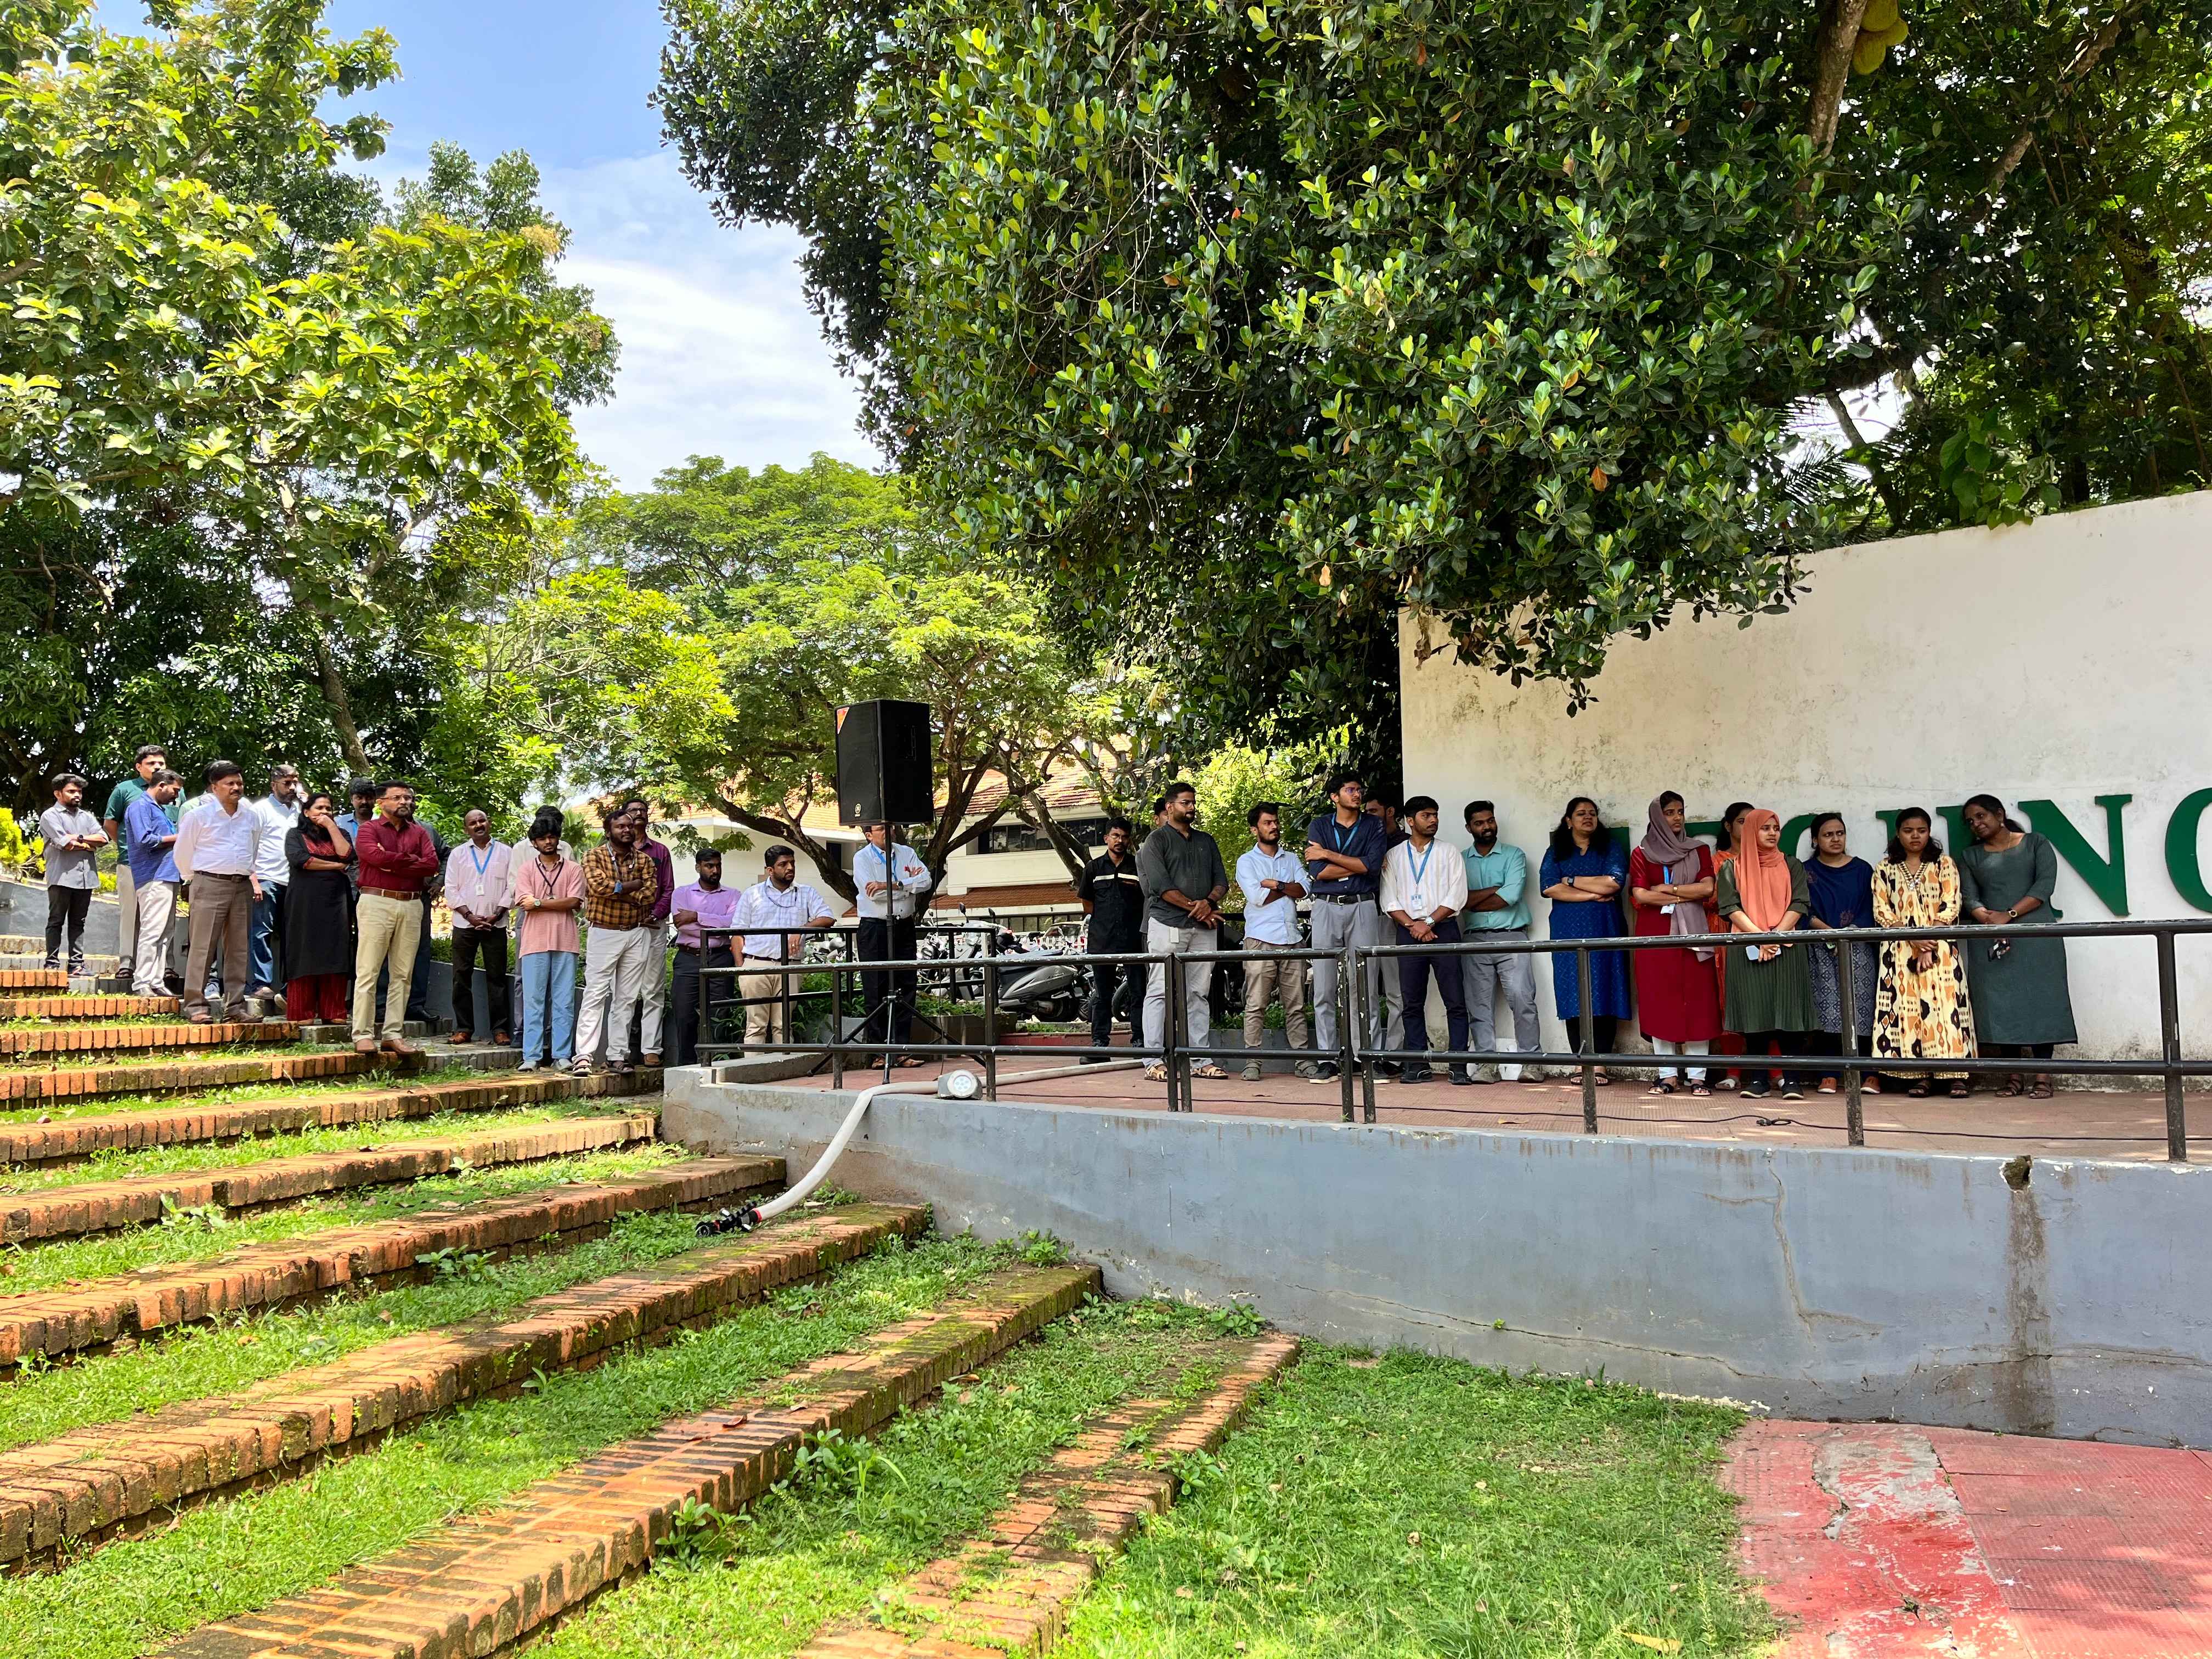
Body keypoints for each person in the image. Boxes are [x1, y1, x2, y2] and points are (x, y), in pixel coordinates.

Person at [1959, 794, 2077, 1098]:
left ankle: (2043, 1076)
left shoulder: (2036, 843)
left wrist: (2008, 915)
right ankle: (2013, 1076)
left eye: (1981, 816)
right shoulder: (1971, 856)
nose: (1976, 824)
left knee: (2042, 1000)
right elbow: (1969, 897)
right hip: (1992, 938)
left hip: (2036, 936)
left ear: (1999, 814)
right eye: (1971, 821)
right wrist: (1985, 917)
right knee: (2000, 1004)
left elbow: (2044, 887)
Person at [1871, 808, 1975, 1099]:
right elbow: (1882, 911)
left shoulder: (1943, 864)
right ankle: (1920, 1076)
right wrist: (1914, 940)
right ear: (1898, 833)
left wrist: (1928, 942)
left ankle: (1955, 1077)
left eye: (1921, 830)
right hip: (1901, 948)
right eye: (1908, 830)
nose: (1915, 836)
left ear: (1929, 832)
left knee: (1945, 1010)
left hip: (1940, 948)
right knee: (1910, 1011)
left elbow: (1951, 904)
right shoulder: (1885, 868)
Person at [1715, 808, 1816, 1101]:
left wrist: (1772, 939)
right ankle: (1758, 1081)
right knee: (1754, 1015)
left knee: (1790, 1017)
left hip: (1785, 947)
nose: (1773, 833)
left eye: (1776, 828)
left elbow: (1800, 903)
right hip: (1748, 947)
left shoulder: (1792, 865)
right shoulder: (1731, 868)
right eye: (1765, 828)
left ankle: (1792, 1081)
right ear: (1750, 832)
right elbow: (1730, 908)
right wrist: (1760, 938)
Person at [1627, 792, 1722, 1094]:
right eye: (1669, 812)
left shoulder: (1699, 850)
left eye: (1680, 811)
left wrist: (1670, 889)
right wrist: (1686, 894)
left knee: (1698, 1002)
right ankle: (1667, 1075)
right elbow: (1641, 895)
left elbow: (1707, 889)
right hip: (1655, 936)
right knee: (1660, 1001)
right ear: (1657, 817)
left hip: (1693, 933)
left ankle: (1697, 1076)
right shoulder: (1641, 853)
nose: (1677, 817)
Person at [1136, 781, 1230, 1083]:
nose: (1191, 808)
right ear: (1170, 807)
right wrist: (1198, 908)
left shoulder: (1207, 840)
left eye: (1193, 803)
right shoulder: (1156, 840)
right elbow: (1161, 887)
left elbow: (1221, 882)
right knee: (1160, 991)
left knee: (1198, 994)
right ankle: (1152, 1060)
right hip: (1167, 924)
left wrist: (1209, 903)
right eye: (1185, 803)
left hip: (1203, 928)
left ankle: (1199, 1060)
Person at [1302, 770, 1391, 1084]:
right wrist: (1349, 865)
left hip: (1363, 904)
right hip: (1326, 908)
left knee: (1364, 982)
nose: (1357, 794)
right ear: (1334, 796)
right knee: (1324, 985)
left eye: (1359, 789)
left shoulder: (1373, 824)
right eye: (1351, 789)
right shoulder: (1320, 825)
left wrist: (1328, 854)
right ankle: (1328, 1059)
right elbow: (1318, 873)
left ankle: (1368, 1057)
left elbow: (1371, 866)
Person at [1379, 795, 1474, 1085]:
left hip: (1443, 929)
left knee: (1455, 1000)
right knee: (1411, 1002)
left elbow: (1457, 895)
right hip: (1408, 932)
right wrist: (1413, 925)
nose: (1433, 820)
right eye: (1426, 816)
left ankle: (1459, 1064)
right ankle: (1417, 1064)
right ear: (1410, 821)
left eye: (1435, 815)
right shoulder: (1394, 856)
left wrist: (1429, 922)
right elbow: (1388, 898)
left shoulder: (1449, 852)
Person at [1538, 797, 1632, 1082]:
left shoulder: (1611, 847)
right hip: (1568, 931)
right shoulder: (1555, 852)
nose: (1588, 818)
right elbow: (1550, 888)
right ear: (1568, 821)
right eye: (1581, 814)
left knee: (1605, 990)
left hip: (1606, 928)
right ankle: (1582, 1064)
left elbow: (1614, 883)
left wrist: (1571, 880)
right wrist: (1591, 893)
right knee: (1573, 994)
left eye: (1592, 813)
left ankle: (1600, 1065)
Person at [173, 760, 266, 1024]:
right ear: (215, 787)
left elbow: (254, 848)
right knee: (203, 946)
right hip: (208, 883)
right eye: (229, 784)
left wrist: (248, 874)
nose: (236, 788)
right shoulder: (198, 815)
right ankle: (195, 1006)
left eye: (239, 783)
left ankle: (234, 1008)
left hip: (241, 885)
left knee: (238, 948)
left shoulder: (251, 815)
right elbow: (182, 852)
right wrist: (192, 880)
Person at [349, 779, 438, 1056]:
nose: (405, 803)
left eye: (408, 798)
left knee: (403, 974)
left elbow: (432, 864)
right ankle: (363, 1034)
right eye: (398, 798)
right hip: (376, 900)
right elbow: (371, 857)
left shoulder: (421, 833)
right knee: (368, 971)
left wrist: (393, 860)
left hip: (412, 905)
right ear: (381, 802)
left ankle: (393, 1034)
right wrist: (409, 861)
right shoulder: (368, 829)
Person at [573, 804, 661, 1075]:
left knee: (627, 998)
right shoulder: (594, 856)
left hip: (636, 933)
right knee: (595, 994)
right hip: (604, 932)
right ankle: (584, 1056)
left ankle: (617, 1056)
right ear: (608, 831)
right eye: (620, 826)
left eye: (630, 826)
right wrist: (630, 886)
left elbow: (650, 895)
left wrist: (619, 891)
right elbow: (597, 887)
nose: (627, 829)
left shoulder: (644, 860)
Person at [1459, 802, 1541, 1084]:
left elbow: (1512, 895)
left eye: (1490, 821)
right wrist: (1494, 890)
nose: (1487, 827)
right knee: (1478, 1006)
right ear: (1469, 828)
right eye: (1480, 823)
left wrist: (1475, 899)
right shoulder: (1459, 861)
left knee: (1522, 1000)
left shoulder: (1514, 855)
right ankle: (1486, 1065)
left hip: (1512, 937)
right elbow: (1458, 903)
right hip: (1473, 942)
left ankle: (1532, 1064)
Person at [1234, 802, 1314, 1082]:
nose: (1274, 826)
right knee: (1256, 1004)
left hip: (1292, 940)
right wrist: (1286, 888)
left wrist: (1275, 884)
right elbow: (1257, 898)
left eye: (1276, 821)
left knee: (1296, 1005)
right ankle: (1252, 1060)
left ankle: (1303, 1060)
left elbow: (1306, 889)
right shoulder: (1246, 861)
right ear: (1255, 828)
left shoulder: (1291, 858)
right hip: (1260, 940)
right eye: (1268, 822)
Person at [730, 845, 836, 1049]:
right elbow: (737, 932)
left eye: (792, 863)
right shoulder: (752, 894)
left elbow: (828, 918)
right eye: (783, 864)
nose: (790, 868)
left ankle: (782, 1071)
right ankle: (753, 1075)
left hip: (790, 966)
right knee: (756, 1026)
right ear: (770, 870)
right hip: (756, 965)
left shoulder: (806, 892)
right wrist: (741, 969)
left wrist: (801, 929)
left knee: (783, 1025)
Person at [1803, 812, 1880, 1095]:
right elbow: (1803, 909)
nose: (1835, 839)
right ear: (1815, 840)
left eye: (1840, 833)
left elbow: (1871, 908)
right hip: (1821, 945)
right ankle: (1830, 1072)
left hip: (1857, 945)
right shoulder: (1805, 871)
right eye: (1828, 834)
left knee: (1863, 1006)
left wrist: (1849, 933)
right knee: (1827, 1008)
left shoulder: (1862, 870)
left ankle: (1869, 1073)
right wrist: (1829, 933)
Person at [509, 808, 585, 1072]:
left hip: (566, 940)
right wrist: (554, 903)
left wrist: (541, 901)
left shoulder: (574, 869)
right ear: (534, 843)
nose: (548, 842)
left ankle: (562, 1055)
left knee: (564, 1001)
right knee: (534, 1000)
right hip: (534, 941)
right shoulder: (526, 869)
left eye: (552, 837)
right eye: (542, 839)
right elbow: (523, 903)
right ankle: (531, 1056)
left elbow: (575, 902)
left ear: (559, 839)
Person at [854, 821, 933, 1065]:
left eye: (890, 828)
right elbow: (874, 895)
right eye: (881, 829)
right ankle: (879, 1053)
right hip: (875, 927)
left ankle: (901, 1049)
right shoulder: (862, 858)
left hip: (904, 925)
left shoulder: (906, 853)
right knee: (875, 988)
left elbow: (927, 882)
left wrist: (896, 885)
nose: (888, 833)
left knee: (906, 986)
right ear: (869, 835)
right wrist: (908, 888)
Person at [281, 791, 356, 1024]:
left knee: (336, 951)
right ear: (306, 812)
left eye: (328, 809)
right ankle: (302, 1012)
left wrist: (332, 827)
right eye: (319, 809)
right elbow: (302, 861)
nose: (324, 813)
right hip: (304, 902)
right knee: (304, 950)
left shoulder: (341, 833)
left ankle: (333, 1011)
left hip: (336, 901)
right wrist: (335, 866)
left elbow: (347, 854)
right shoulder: (295, 835)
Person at [1075, 818, 1146, 1060]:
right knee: (1102, 996)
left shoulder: (1138, 867)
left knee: (1138, 993)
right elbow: (1087, 903)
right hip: (1102, 941)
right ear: (1106, 838)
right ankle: (1100, 1045)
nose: (1120, 841)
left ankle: (1140, 1043)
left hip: (1133, 940)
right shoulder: (1093, 869)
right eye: (1115, 836)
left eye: (1125, 837)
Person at [668, 848, 743, 1068]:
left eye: (718, 865)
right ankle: (686, 1067)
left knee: (720, 1014)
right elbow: (684, 926)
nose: (715, 870)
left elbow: (733, 924)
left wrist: (697, 916)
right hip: (689, 958)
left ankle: (718, 1066)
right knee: (685, 1015)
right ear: (698, 867)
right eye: (710, 866)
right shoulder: (682, 893)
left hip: (720, 958)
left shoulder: (733, 895)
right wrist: (715, 923)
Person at [445, 809, 514, 1045]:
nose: (478, 825)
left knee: (496, 978)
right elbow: (451, 889)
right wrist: (470, 916)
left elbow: (512, 887)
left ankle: (500, 1030)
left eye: (482, 820)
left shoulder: (507, 853)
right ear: (467, 829)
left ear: (489, 823)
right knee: (460, 976)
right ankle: (464, 1028)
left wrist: (496, 915)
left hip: (496, 924)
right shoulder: (458, 854)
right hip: (465, 925)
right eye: (473, 823)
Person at [618, 799, 676, 1066]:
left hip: (653, 926)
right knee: (624, 991)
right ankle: (618, 1050)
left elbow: (667, 889)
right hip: (623, 926)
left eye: (643, 811)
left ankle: (651, 1049)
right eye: (634, 811)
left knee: (653, 989)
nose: (639, 815)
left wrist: (655, 914)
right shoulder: (612, 853)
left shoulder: (661, 851)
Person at [104, 744, 167, 971]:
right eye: (151, 763)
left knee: (163, 917)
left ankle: (164, 966)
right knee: (131, 912)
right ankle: (126, 963)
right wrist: (127, 847)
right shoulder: (125, 790)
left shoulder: (172, 791)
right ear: (139, 767)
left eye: (161, 763)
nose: (157, 767)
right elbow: (110, 823)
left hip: (165, 865)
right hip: (131, 862)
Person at [122, 769, 185, 997]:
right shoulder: (140, 807)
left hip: (168, 875)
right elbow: (145, 840)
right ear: (161, 785)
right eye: (174, 790)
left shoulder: (159, 809)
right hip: (153, 876)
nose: (176, 796)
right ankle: (142, 982)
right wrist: (180, 837)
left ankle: (156, 981)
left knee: (165, 932)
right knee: (152, 931)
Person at [244, 763, 301, 1013]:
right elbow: (249, 846)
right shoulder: (260, 810)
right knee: (262, 932)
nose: (292, 787)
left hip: (295, 880)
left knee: (293, 935)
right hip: (266, 878)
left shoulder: (300, 809)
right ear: (273, 784)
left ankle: (291, 987)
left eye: (295, 782)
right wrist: (254, 880)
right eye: (287, 783)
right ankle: (260, 983)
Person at [37, 774, 108, 975]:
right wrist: (88, 845)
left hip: (86, 879)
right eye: (72, 791)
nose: (77, 795)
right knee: (56, 920)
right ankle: (52, 964)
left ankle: (76, 965)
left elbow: (103, 838)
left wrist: (80, 838)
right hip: (61, 876)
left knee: (79, 922)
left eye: (79, 792)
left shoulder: (86, 817)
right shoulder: (50, 816)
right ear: (58, 793)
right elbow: (65, 844)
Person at [1710, 800, 1756, 1091]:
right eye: (1742, 821)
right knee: (1730, 1000)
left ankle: (1775, 1070)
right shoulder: (1717, 860)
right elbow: (1711, 898)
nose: (1748, 827)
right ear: (1728, 826)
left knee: (1765, 999)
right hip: (1725, 932)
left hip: (1761, 932)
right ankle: (1733, 1070)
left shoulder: (1770, 859)